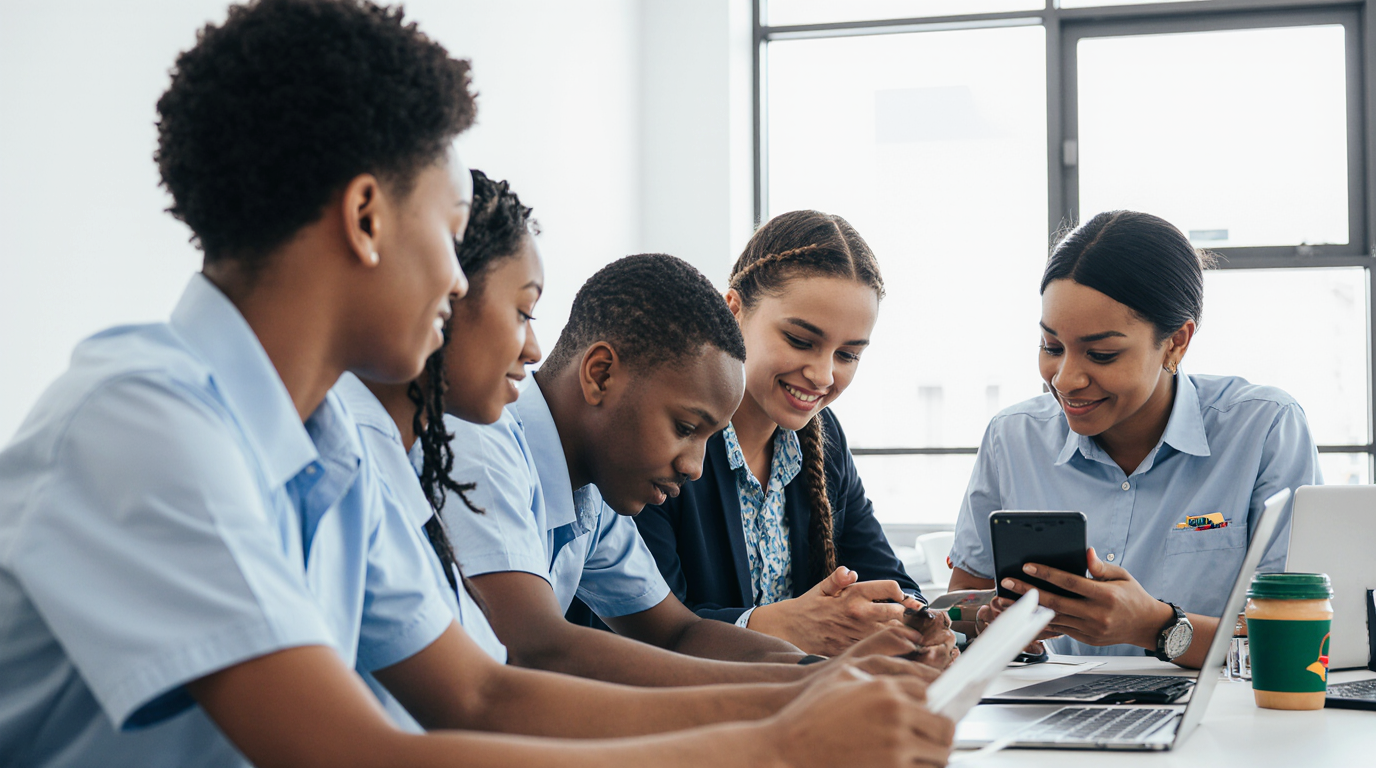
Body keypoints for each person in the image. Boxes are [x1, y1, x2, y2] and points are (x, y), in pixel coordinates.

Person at [0, 3, 957, 766]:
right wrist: (777, 745)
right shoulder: (144, 421)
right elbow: (354, 753)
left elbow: (478, 693)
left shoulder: (339, 444)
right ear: (367, 218)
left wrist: (812, 697)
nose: (460, 285)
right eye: (451, 230)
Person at [435, 252, 957, 685]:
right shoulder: (484, 441)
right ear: (600, 375)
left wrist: (825, 673)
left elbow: (677, 633)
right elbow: (538, 647)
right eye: (686, 427)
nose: (695, 466)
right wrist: (802, 696)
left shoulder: (592, 496)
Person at [948, 210, 1321, 669]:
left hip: (1214, 708)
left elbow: (1297, 639)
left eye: (1101, 354)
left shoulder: (1264, 429)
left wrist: (1155, 627)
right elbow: (961, 608)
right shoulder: (1012, 437)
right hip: (1045, 704)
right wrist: (990, 623)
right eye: (1051, 347)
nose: (1064, 379)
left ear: (1176, 342)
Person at [635, 210, 953, 661]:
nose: (823, 375)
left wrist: (916, 624)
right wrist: (781, 628)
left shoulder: (823, 439)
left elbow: (887, 578)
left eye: (847, 354)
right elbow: (642, 626)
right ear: (733, 311)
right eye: (801, 341)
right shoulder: (666, 435)